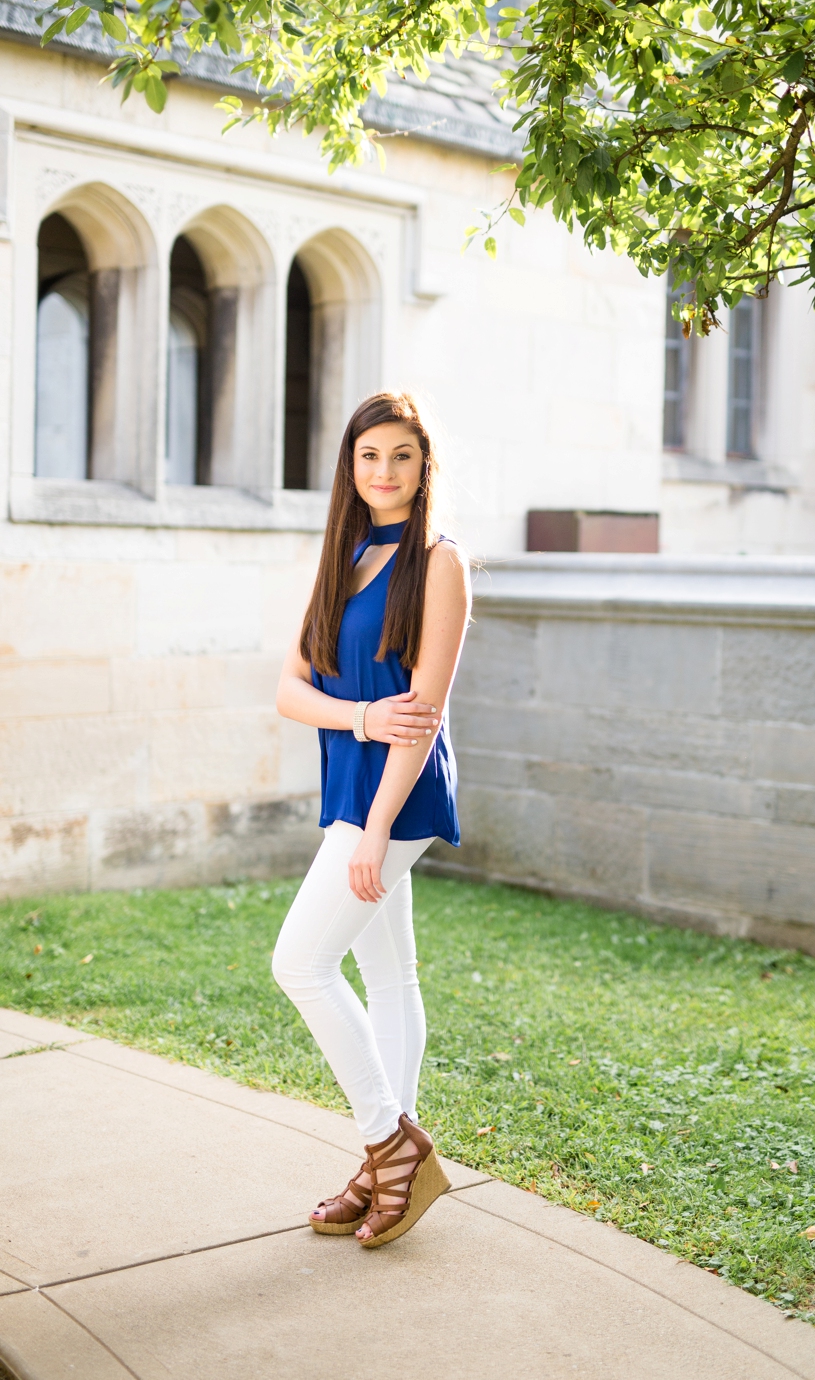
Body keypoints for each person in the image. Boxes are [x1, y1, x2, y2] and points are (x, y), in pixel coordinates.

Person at [272, 390, 469, 1249]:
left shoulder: (440, 562)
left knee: (300, 964)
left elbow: (422, 712)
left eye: (401, 455)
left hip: (399, 796)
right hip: (354, 784)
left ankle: (391, 1142)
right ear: (350, 467)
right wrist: (353, 718)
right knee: (388, 976)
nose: (384, 471)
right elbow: (288, 692)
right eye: (369, 456)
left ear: (425, 465)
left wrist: (381, 826)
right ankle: (391, 1163)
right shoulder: (344, 555)